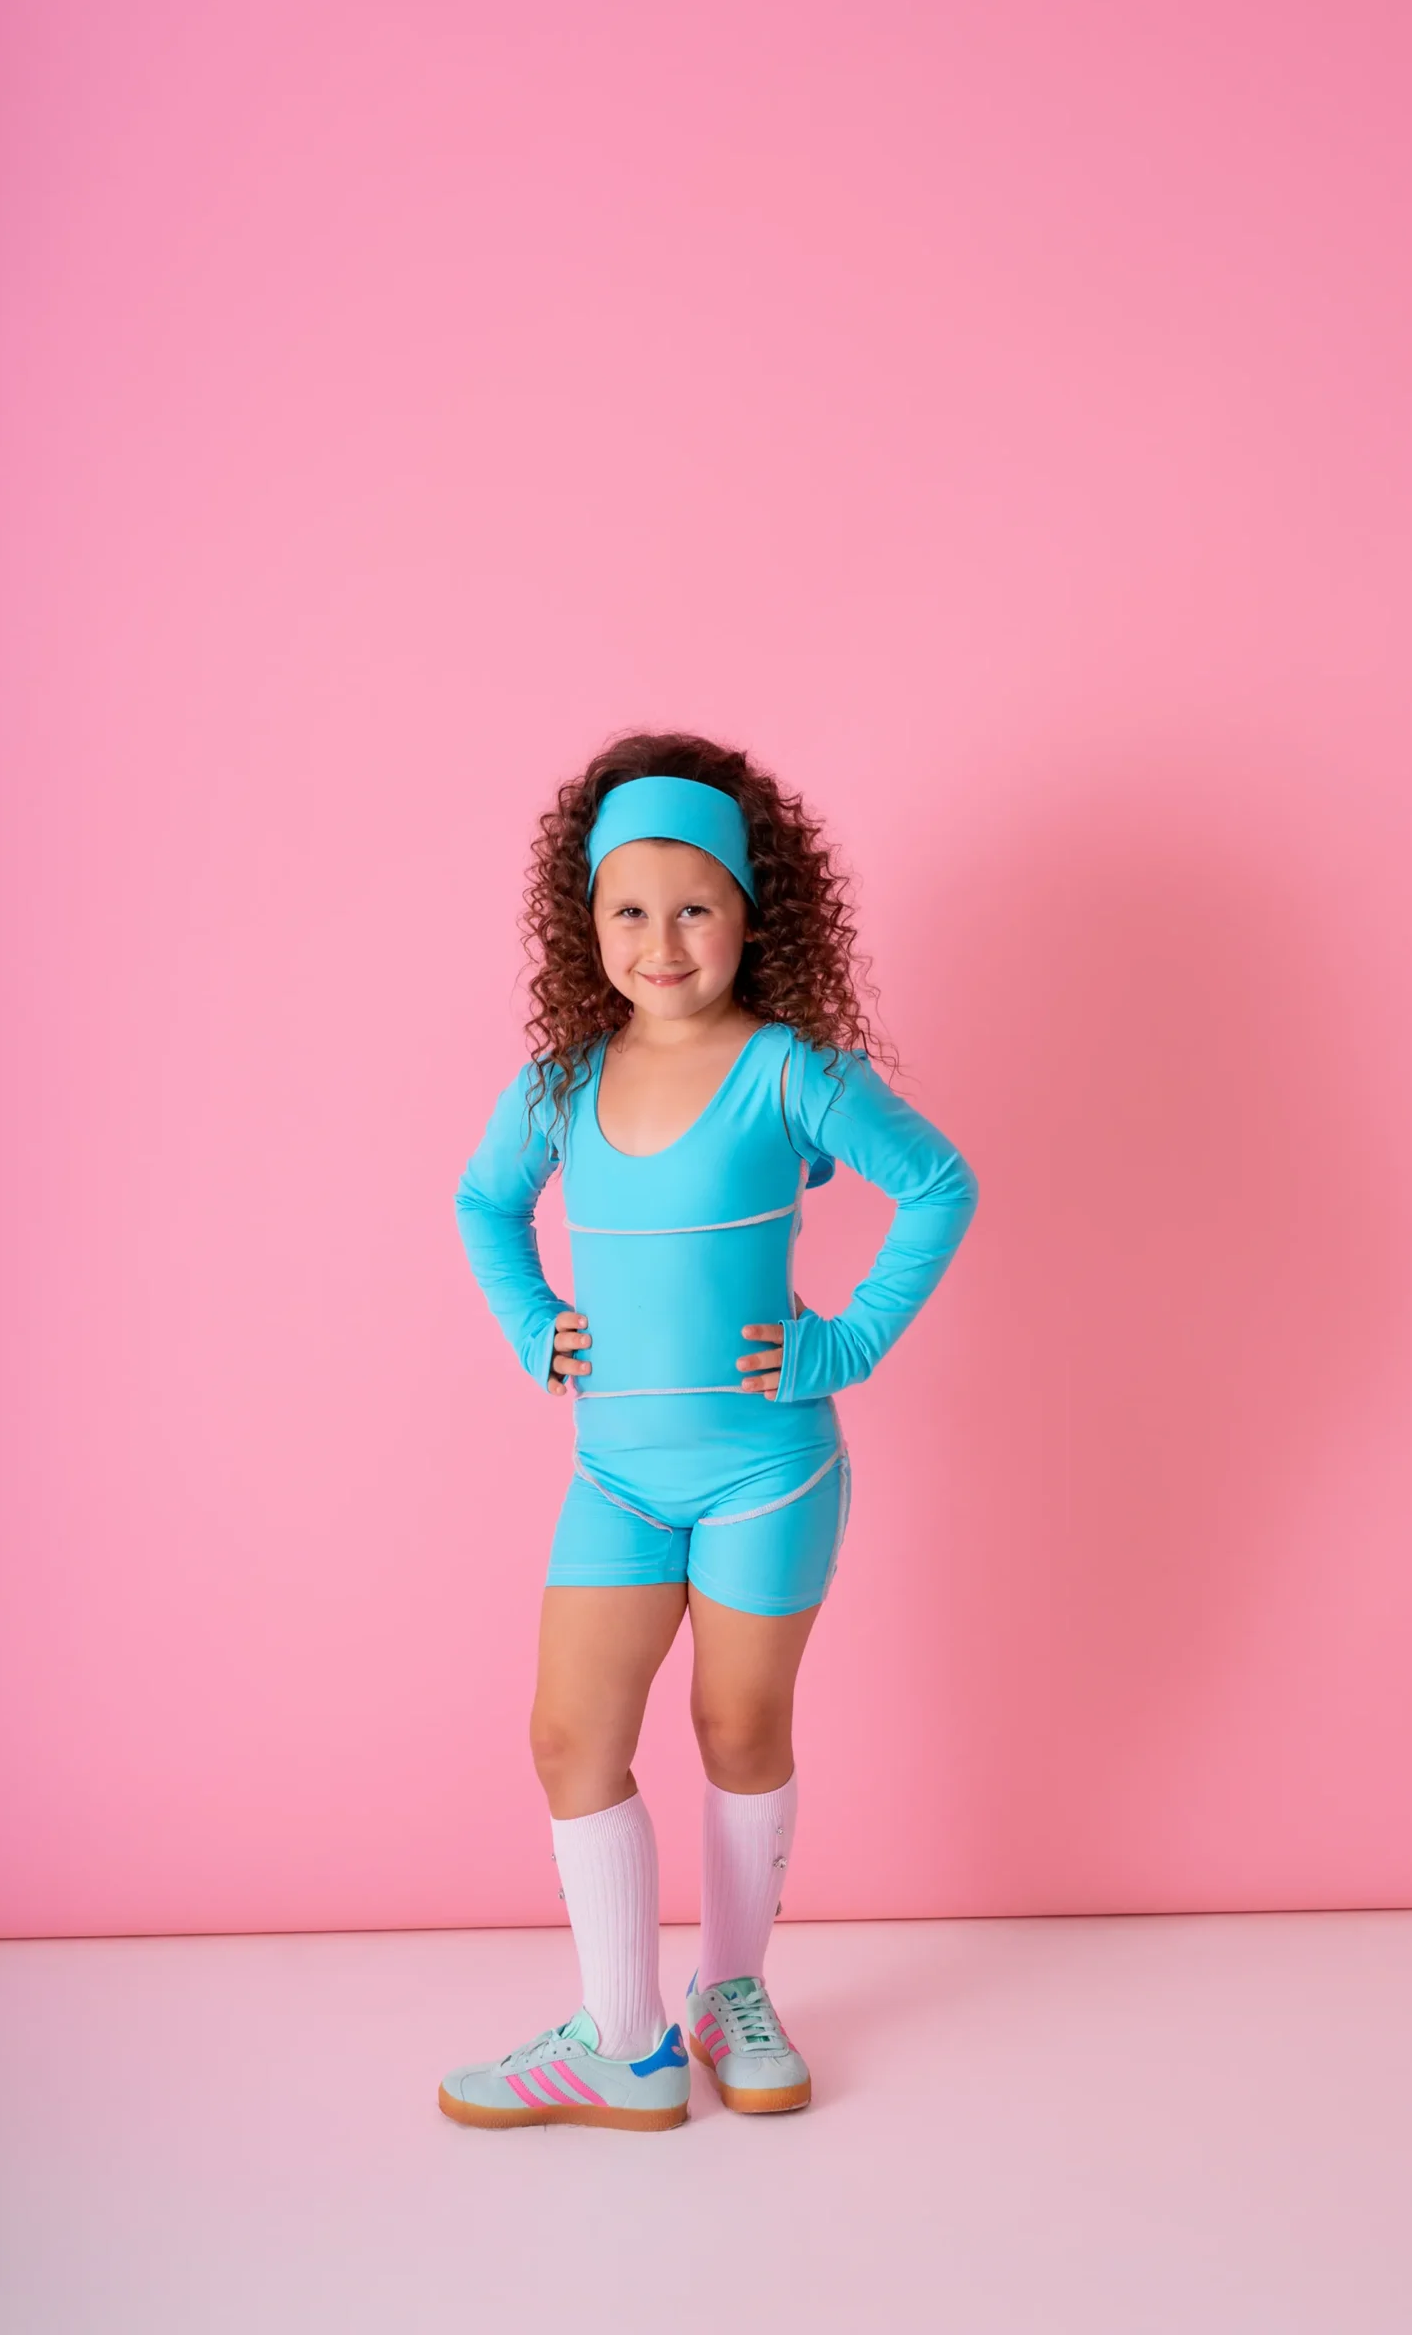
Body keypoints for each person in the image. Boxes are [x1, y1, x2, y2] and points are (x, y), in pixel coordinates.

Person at [438, 732, 980, 2130]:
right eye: (629, 909)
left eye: (695, 907)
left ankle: (730, 1990)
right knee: (570, 1737)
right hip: (615, 1477)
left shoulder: (789, 1071)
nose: (662, 942)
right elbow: (484, 1204)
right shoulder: (560, 1085)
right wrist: (529, 1318)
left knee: (738, 1725)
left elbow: (938, 1185)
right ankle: (622, 2043)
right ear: (587, 922)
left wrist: (847, 1341)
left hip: (767, 1471)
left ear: (752, 913)